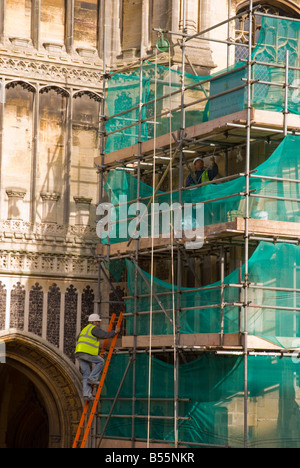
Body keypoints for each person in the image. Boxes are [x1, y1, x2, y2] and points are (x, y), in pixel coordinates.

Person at [75, 313, 121, 401]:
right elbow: (105, 335)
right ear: (94, 322)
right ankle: (92, 378)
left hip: (79, 353)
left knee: (86, 374)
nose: (99, 323)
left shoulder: (84, 329)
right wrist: (115, 332)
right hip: (86, 352)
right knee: (100, 361)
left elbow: (78, 338)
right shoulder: (94, 328)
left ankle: (86, 395)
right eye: (98, 321)